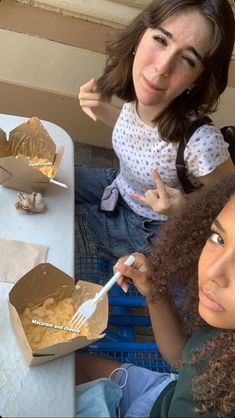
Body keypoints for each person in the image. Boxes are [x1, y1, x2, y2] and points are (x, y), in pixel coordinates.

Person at [76, 0, 235, 259]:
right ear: (140, 36)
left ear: (198, 80)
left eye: (187, 59)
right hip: (119, 185)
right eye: (161, 39)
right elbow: (144, 136)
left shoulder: (201, 144)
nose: (162, 68)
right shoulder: (139, 90)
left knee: (55, 226)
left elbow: (231, 204)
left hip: (144, 227)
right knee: (46, 183)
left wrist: (184, 211)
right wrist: (100, 109)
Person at [75, 173, 235, 418]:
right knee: (64, 368)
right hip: (162, 391)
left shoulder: (209, 407)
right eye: (218, 238)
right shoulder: (223, 333)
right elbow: (183, 358)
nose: (213, 271)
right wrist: (152, 291)